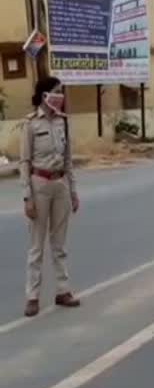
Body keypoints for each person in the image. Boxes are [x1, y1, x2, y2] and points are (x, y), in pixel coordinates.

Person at [19, 77, 81, 317]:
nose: (60, 96)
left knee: (59, 244)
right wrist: (27, 197)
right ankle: (32, 296)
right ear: (44, 95)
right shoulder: (31, 124)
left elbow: (68, 160)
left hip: (60, 184)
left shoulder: (63, 122)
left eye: (61, 92)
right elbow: (24, 162)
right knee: (37, 245)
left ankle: (63, 290)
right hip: (39, 184)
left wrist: (73, 191)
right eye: (56, 91)